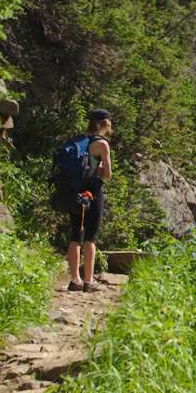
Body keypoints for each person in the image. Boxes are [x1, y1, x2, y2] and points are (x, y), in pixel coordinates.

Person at [65, 109, 113, 292]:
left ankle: (74, 279)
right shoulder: (102, 144)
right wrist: (99, 169)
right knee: (90, 238)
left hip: (75, 193)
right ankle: (88, 281)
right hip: (93, 193)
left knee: (75, 236)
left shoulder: (78, 141)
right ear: (105, 123)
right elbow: (107, 174)